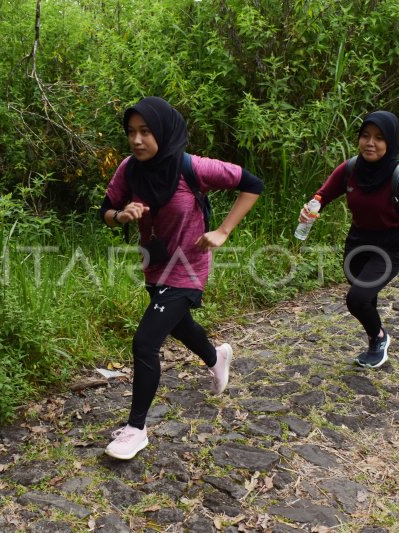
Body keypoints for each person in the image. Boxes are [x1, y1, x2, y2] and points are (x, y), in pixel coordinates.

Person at [99, 96, 263, 460]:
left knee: (145, 343)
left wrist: (223, 230)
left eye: (146, 132)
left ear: (164, 132)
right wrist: (121, 215)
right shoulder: (129, 170)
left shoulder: (194, 167)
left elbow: (252, 184)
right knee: (177, 324)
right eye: (131, 132)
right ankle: (216, 357)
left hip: (189, 267)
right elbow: (104, 211)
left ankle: (136, 429)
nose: (137, 140)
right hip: (154, 263)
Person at [299, 110, 399, 369]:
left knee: (357, 298)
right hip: (358, 240)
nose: (370, 143)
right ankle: (376, 336)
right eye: (365, 136)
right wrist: (311, 208)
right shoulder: (351, 168)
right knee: (364, 295)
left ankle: (379, 339)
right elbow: (323, 194)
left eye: (379, 138)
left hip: (391, 244)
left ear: (391, 142)